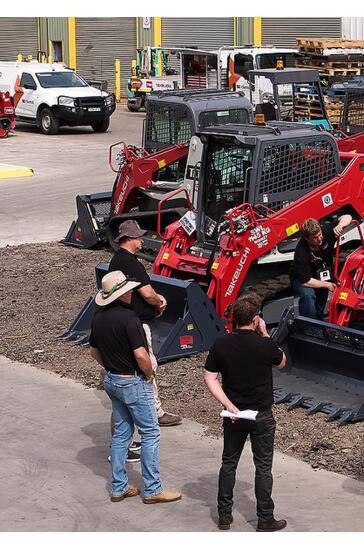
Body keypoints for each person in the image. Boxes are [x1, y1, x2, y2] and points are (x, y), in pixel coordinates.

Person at [89, 270, 182, 505]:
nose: (132, 292)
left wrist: (109, 365)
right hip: (132, 381)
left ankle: (118, 487)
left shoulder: (98, 317)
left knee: (122, 433)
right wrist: (149, 374)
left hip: (112, 379)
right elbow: (141, 354)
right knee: (150, 432)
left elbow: (93, 351)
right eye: (128, 289)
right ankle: (152, 489)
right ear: (123, 294)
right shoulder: (131, 320)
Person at [203, 293, 288, 532]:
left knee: (229, 463)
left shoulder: (222, 343)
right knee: (263, 467)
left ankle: (224, 516)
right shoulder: (265, 344)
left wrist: (228, 404)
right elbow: (281, 361)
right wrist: (266, 333)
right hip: (261, 414)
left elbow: (209, 377)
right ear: (255, 319)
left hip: (234, 414)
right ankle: (265, 518)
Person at [109, 219, 182, 427]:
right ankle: (154, 411)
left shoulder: (116, 260)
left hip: (123, 321)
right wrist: (161, 302)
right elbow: (147, 293)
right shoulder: (132, 263)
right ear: (130, 238)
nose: (142, 240)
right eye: (138, 236)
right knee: (148, 365)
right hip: (137, 323)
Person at [290, 215, 352, 320]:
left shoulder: (326, 231)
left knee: (321, 299)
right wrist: (327, 285)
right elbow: (305, 281)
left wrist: (340, 225)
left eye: (319, 235)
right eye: (315, 238)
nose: (319, 239)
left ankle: (318, 321)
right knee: (308, 295)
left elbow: (347, 216)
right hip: (303, 278)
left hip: (322, 273)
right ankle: (309, 326)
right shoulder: (301, 252)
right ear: (306, 238)